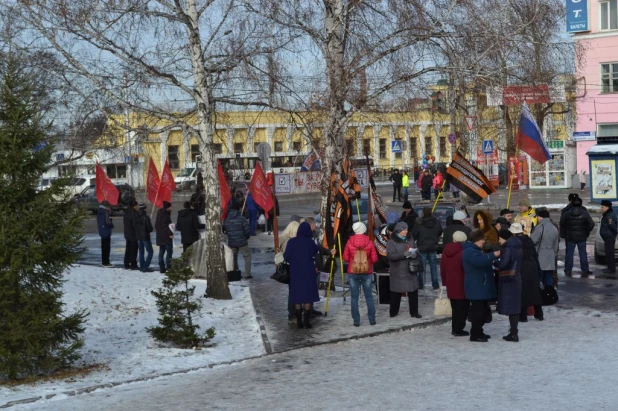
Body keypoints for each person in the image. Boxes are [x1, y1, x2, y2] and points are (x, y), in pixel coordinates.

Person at [462, 229, 500, 342]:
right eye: (482, 239)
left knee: (482, 311)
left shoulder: (475, 250)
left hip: (479, 285)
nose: (484, 241)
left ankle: (479, 331)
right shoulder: (470, 251)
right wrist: (493, 255)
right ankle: (475, 334)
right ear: (477, 240)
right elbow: (479, 262)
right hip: (476, 286)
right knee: (478, 312)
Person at [284, 222, 320, 329]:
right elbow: (315, 252)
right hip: (308, 271)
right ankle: (307, 322)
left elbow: (286, 257)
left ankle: (299, 322)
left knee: (297, 297)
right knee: (307, 296)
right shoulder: (310, 242)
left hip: (295, 272)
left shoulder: (291, 242)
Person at [343, 222, 379, 326]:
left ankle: (356, 321)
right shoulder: (369, 242)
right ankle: (372, 319)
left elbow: (345, 258)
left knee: (354, 297)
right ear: (363, 229)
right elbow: (374, 259)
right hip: (366, 271)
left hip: (353, 271)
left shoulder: (349, 242)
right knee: (369, 296)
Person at [387, 222, 422, 318]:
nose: (407, 231)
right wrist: (403, 254)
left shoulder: (410, 238)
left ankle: (414, 312)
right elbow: (390, 256)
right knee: (396, 292)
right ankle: (393, 312)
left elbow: (415, 249)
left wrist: (414, 253)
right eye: (404, 230)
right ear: (399, 231)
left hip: (410, 269)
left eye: (407, 229)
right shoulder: (392, 242)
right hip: (398, 270)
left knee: (413, 291)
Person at [512, 222, 544, 321]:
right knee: (534, 290)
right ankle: (539, 314)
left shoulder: (515, 242)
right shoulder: (528, 240)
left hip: (522, 267)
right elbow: (535, 254)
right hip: (533, 266)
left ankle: (523, 316)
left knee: (523, 292)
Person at [495, 229, 523, 342]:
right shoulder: (518, 246)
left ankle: (513, 333)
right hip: (517, 278)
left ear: (504, 238)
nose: (499, 241)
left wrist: (494, 262)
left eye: (500, 238)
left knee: (511, 306)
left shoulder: (508, 248)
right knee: (514, 306)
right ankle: (513, 331)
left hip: (508, 280)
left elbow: (503, 264)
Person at [440, 231, 470, 336]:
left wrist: (444, 281)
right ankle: (459, 328)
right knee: (463, 307)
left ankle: (455, 328)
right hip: (462, 283)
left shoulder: (446, 251)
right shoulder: (464, 252)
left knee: (455, 308)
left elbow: (442, 268)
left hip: (450, 283)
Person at [559, 197, 594, 276]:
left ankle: (568, 270)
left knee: (569, 254)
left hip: (570, 237)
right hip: (582, 237)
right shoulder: (585, 213)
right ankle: (585, 270)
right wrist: (586, 232)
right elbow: (591, 224)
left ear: (572, 203)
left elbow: (562, 223)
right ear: (581, 204)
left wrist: (564, 233)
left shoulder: (567, 213)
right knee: (583, 254)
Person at [411, 207, 443, 290]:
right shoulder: (436, 222)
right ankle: (435, 284)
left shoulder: (419, 223)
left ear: (423, 213)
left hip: (422, 247)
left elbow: (414, 234)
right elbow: (440, 231)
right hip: (433, 247)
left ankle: (421, 284)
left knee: (421, 267)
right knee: (433, 267)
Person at [530, 208, 560, 290]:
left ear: (540, 217)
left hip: (540, 256)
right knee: (549, 277)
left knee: (538, 277)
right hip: (550, 256)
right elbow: (556, 245)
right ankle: (549, 293)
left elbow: (533, 241)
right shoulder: (554, 228)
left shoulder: (540, 227)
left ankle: (538, 295)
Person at [223, 202, 252, 279]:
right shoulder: (242, 218)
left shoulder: (227, 219)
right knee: (247, 256)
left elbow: (224, 229)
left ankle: (236, 272)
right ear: (238, 209)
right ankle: (247, 274)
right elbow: (247, 231)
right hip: (242, 241)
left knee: (233, 257)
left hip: (232, 242)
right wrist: (246, 237)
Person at [134, 202, 154, 272]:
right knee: (150, 252)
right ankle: (145, 266)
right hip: (145, 236)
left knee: (141, 252)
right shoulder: (146, 217)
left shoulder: (136, 216)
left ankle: (142, 266)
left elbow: (134, 226)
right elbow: (150, 229)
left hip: (138, 236)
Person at [155, 201, 174, 273]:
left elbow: (157, 226)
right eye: (170, 207)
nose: (172, 208)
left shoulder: (160, 214)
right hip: (166, 237)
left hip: (160, 237)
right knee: (169, 252)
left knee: (161, 253)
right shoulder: (165, 215)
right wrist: (170, 234)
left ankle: (162, 268)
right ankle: (169, 267)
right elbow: (165, 226)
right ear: (167, 207)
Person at [600, 200, 617, 274]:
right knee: (608, 253)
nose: (601, 208)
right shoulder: (607, 214)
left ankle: (611, 268)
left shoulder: (609, 215)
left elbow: (612, 225)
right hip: (608, 236)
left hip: (609, 237)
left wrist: (615, 232)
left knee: (610, 253)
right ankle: (610, 267)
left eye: (602, 207)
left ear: (607, 207)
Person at [97, 200, 114, 268]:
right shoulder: (105, 213)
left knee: (103, 248)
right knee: (106, 248)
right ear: (106, 206)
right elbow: (108, 222)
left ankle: (104, 261)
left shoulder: (99, 211)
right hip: (106, 232)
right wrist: (112, 225)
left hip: (102, 231)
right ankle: (106, 262)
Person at [123, 200, 139, 270]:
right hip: (133, 234)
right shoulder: (134, 213)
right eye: (137, 205)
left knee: (128, 249)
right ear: (134, 206)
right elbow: (135, 224)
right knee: (134, 250)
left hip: (127, 233)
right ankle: (133, 264)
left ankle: (126, 263)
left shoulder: (126, 212)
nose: (138, 207)